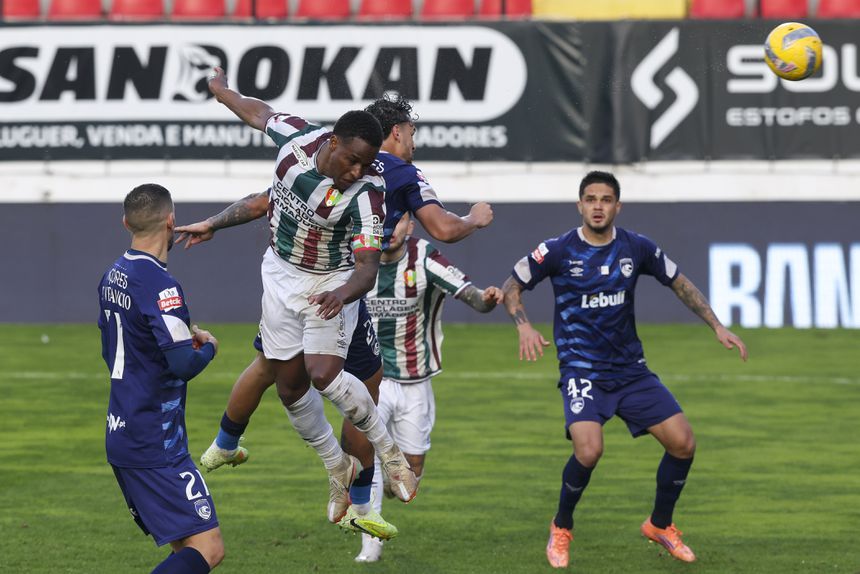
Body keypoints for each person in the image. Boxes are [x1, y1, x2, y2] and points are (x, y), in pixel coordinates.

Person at [176, 94, 494, 539]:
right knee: (287, 384)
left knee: (326, 374)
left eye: (365, 164)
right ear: (335, 142)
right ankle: (334, 469)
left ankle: (383, 464)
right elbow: (259, 118)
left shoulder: (370, 191)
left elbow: (368, 267)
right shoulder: (300, 140)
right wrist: (222, 89)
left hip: (334, 281)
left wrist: (342, 293)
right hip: (281, 276)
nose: (358, 172)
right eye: (352, 161)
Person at [501, 171, 748, 569]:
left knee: (684, 443)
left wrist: (717, 325)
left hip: (631, 371)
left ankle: (660, 525)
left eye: (606, 199)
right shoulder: (558, 250)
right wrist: (523, 325)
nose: (598, 205)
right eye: (591, 198)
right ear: (579, 204)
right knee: (589, 449)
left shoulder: (637, 247)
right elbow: (512, 286)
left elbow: (680, 283)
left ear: (618, 206)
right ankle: (561, 527)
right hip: (582, 369)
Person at [349, 212, 504, 562]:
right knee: (365, 456)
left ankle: (392, 484)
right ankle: (369, 544)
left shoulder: (424, 258)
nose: (389, 228)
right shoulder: (357, 257)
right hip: (371, 380)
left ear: (410, 225)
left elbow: (472, 296)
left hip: (416, 383)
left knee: (408, 481)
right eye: (383, 220)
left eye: (398, 220)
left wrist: (488, 300)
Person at [98, 183, 224, 573]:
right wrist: (210, 347)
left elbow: (122, 346)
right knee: (209, 548)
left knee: (183, 548)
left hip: (122, 428)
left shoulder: (112, 275)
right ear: (171, 221)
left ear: (125, 222)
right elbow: (183, 363)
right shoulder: (161, 284)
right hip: (156, 441)